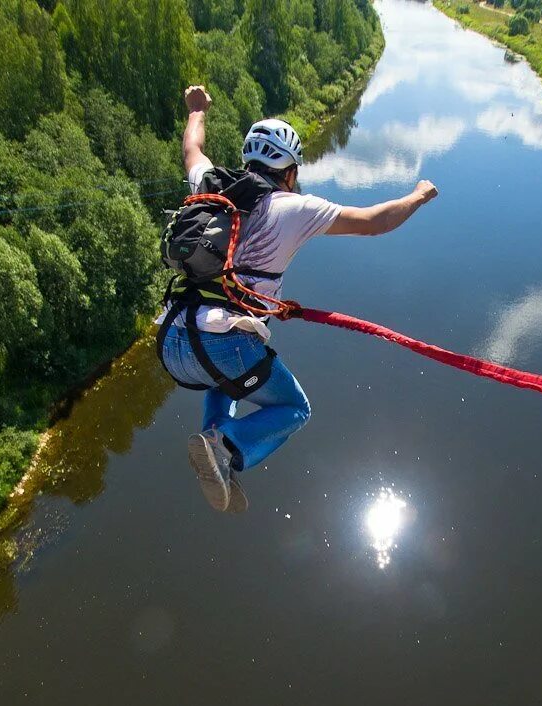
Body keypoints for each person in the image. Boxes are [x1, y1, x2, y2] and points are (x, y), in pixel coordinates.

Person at [157, 85, 439, 513]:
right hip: (225, 346)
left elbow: (192, 149)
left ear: (251, 159)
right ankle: (227, 445)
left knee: (225, 382)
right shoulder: (293, 206)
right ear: (289, 170)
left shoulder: (210, 187)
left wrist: (197, 109)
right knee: (295, 407)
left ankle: (215, 442)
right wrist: (418, 195)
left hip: (172, 340)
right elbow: (374, 222)